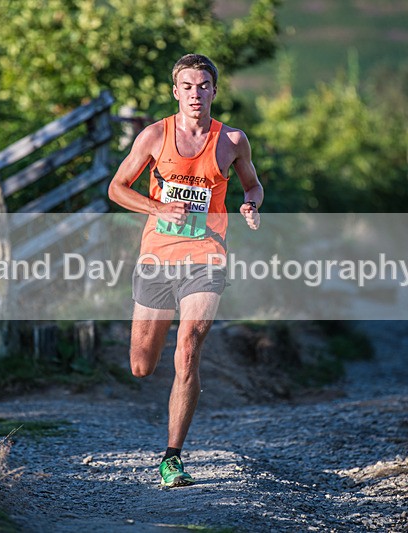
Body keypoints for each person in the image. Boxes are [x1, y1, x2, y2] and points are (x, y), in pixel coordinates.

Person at [108, 53, 263, 487]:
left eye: (204, 86)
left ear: (215, 90)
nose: (196, 94)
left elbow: (252, 183)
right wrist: (159, 208)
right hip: (158, 255)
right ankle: (174, 390)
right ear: (176, 91)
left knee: (190, 345)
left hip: (207, 255)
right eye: (188, 87)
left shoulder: (232, 140)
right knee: (142, 365)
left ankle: (172, 457)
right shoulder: (155, 136)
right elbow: (116, 188)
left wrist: (251, 203)